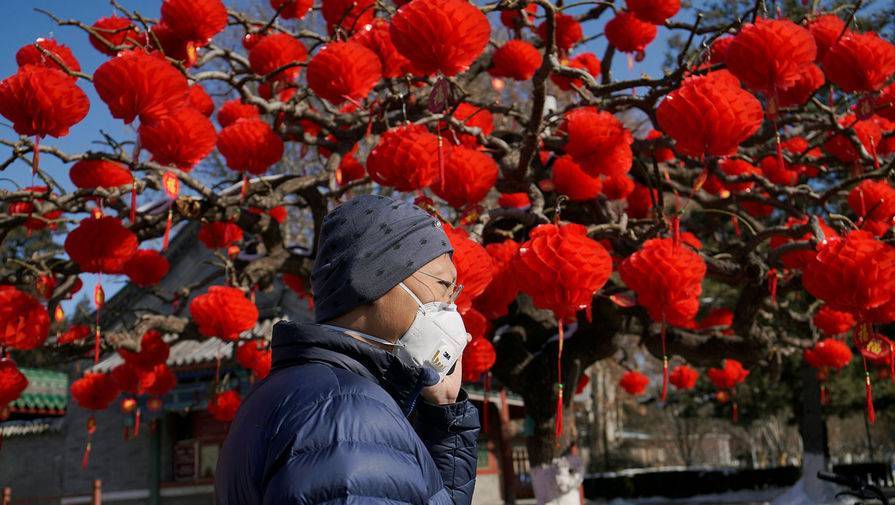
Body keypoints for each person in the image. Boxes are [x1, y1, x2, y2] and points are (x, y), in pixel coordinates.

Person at [215, 194, 480, 505]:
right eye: (443, 285)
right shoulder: (348, 416)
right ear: (376, 279)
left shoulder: (302, 392)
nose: (451, 304)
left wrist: (443, 416)